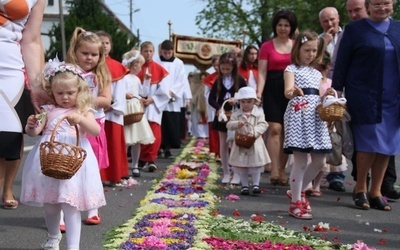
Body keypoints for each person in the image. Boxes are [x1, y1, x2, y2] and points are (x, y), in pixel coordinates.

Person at [20, 63, 106, 249]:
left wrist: (81, 119)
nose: (65, 97)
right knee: (50, 205)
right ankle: (53, 237)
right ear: (52, 92)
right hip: (50, 159)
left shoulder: (84, 109)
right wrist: (31, 125)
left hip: (74, 164)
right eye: (60, 93)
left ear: (79, 91)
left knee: (71, 205)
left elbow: (96, 130)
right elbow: (35, 133)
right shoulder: (48, 110)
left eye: (70, 93)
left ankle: (73, 246)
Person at [332, 0, 400, 211]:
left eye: (386, 3)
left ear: (394, 4)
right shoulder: (355, 29)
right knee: (368, 144)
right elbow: (342, 61)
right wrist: (337, 90)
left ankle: (376, 191)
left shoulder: (398, 28)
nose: (382, 8)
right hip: (365, 95)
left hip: (394, 97)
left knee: (387, 146)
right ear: (368, 6)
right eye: (377, 4)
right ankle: (360, 187)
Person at [0, 0, 46, 210]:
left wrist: (37, 84)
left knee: (9, 134)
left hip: (9, 67)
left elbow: (32, 40)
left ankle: (6, 187)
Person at [66, 27, 112, 225]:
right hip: (70, 127)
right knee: (69, 168)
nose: (89, 58)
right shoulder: (68, 72)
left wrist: (85, 100)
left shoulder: (101, 75)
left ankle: (93, 209)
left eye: (94, 54)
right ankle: (66, 209)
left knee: (91, 169)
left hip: (93, 126)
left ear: (100, 56)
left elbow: (106, 100)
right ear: (75, 52)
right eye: (84, 53)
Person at [283, 30, 331, 220]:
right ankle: (296, 201)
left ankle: (298, 190)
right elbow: (287, 91)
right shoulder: (291, 69)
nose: (310, 54)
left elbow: (319, 95)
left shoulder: (317, 73)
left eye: (314, 51)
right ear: (298, 49)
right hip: (298, 113)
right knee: (301, 159)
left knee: (320, 160)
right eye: (307, 50)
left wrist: (328, 97)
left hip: (315, 116)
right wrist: (293, 91)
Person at [257, 9, 298, 186]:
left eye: (286, 25)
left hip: (290, 88)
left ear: (291, 27)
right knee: (274, 128)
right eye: (280, 25)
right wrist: (259, 92)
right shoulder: (266, 46)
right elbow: (262, 73)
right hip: (272, 88)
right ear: (275, 26)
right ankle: (273, 167)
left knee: (287, 132)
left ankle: (282, 169)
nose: (283, 28)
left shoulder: (296, 45)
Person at [319, 6, 346, 192]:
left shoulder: (348, 35)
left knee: (340, 131)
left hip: (343, 86)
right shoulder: (319, 40)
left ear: (338, 19)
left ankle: (339, 171)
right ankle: (327, 172)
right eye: (325, 21)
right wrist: (323, 43)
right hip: (323, 86)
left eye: (332, 20)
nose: (329, 24)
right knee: (326, 130)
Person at [97, 31, 130, 184]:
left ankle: (113, 175)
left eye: (107, 43)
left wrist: (110, 105)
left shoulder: (118, 67)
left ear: (111, 46)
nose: (104, 45)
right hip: (96, 111)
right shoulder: (92, 64)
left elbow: (120, 91)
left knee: (113, 144)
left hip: (112, 112)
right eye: (101, 42)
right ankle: (98, 176)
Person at [208, 52, 247, 184]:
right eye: (222, 69)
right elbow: (211, 98)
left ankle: (236, 173)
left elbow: (245, 97)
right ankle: (225, 172)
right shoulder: (218, 81)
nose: (225, 71)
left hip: (235, 115)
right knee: (223, 144)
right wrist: (219, 108)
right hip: (222, 116)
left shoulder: (240, 80)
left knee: (235, 144)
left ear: (234, 68)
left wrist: (236, 100)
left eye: (228, 69)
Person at [227, 87, 270, 195]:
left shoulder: (259, 113)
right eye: (243, 102)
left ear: (254, 101)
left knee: (255, 165)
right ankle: (244, 185)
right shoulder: (236, 114)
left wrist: (255, 132)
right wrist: (237, 124)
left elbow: (263, 124)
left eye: (249, 101)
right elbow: (229, 125)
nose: (246, 104)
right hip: (241, 142)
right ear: (239, 102)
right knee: (242, 166)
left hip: (255, 142)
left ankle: (256, 184)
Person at [136, 41, 170, 172]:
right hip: (140, 104)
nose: (148, 54)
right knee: (140, 131)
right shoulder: (136, 67)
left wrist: (153, 99)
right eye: (145, 51)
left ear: (154, 52)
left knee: (154, 132)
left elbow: (165, 90)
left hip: (154, 106)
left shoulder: (160, 69)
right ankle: (141, 159)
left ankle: (151, 159)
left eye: (150, 51)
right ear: (141, 52)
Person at [121, 49, 155, 177]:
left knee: (137, 139)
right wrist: (125, 94)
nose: (141, 68)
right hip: (127, 108)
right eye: (140, 65)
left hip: (136, 109)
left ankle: (135, 165)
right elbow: (119, 91)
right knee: (126, 139)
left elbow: (144, 93)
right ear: (135, 65)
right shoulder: (124, 78)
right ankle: (123, 165)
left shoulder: (136, 79)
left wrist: (146, 81)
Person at [157, 40, 188, 158]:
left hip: (173, 98)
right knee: (160, 124)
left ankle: (168, 148)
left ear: (172, 51)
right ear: (161, 51)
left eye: (169, 53)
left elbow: (181, 80)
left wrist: (171, 92)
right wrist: (162, 93)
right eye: (165, 53)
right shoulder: (157, 61)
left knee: (170, 124)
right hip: (159, 96)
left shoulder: (178, 63)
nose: (167, 55)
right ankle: (159, 147)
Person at [203, 55, 220, 159]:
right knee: (214, 130)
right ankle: (216, 152)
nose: (217, 68)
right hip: (213, 107)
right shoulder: (209, 79)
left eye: (218, 65)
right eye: (215, 66)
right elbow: (206, 94)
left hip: (224, 105)